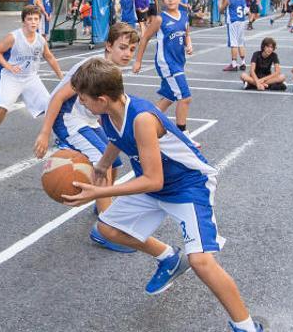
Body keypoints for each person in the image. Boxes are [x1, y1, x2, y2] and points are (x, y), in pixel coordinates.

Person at [63, 58, 264, 332]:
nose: (80, 102)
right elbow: (116, 138)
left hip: (187, 185)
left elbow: (152, 180)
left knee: (201, 261)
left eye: (83, 98)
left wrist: (101, 191)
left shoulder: (143, 119)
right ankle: (169, 258)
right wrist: (102, 165)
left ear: (101, 98)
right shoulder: (108, 112)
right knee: (107, 227)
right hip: (156, 185)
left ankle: (247, 327)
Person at [33, 23, 141, 237]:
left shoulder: (111, 70)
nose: (127, 53)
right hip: (67, 119)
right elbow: (58, 97)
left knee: (113, 159)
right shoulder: (92, 68)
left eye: (131, 49)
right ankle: (106, 228)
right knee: (102, 159)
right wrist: (45, 132)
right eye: (122, 47)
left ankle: (102, 201)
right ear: (108, 46)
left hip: (87, 119)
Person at [0, 6, 63, 154]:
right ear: (23, 21)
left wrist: (61, 77)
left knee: (51, 105)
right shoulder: (13, 37)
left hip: (30, 78)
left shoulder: (40, 40)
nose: (33, 22)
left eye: (36, 19)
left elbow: (50, 57)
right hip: (11, 77)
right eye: (29, 19)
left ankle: (59, 136)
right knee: (2, 106)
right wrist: (8, 66)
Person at [132, 0, 199, 149]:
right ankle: (183, 134)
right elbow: (145, 38)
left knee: (168, 98)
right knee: (185, 98)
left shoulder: (184, 17)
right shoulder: (160, 19)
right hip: (166, 63)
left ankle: (143, 124)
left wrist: (189, 45)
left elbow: (187, 35)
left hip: (179, 62)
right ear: (162, 1)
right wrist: (138, 61)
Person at [219, 0, 247, 71]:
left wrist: (220, 0)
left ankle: (234, 64)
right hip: (242, 21)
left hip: (233, 21)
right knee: (241, 42)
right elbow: (245, 10)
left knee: (234, 43)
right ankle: (243, 62)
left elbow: (221, 10)